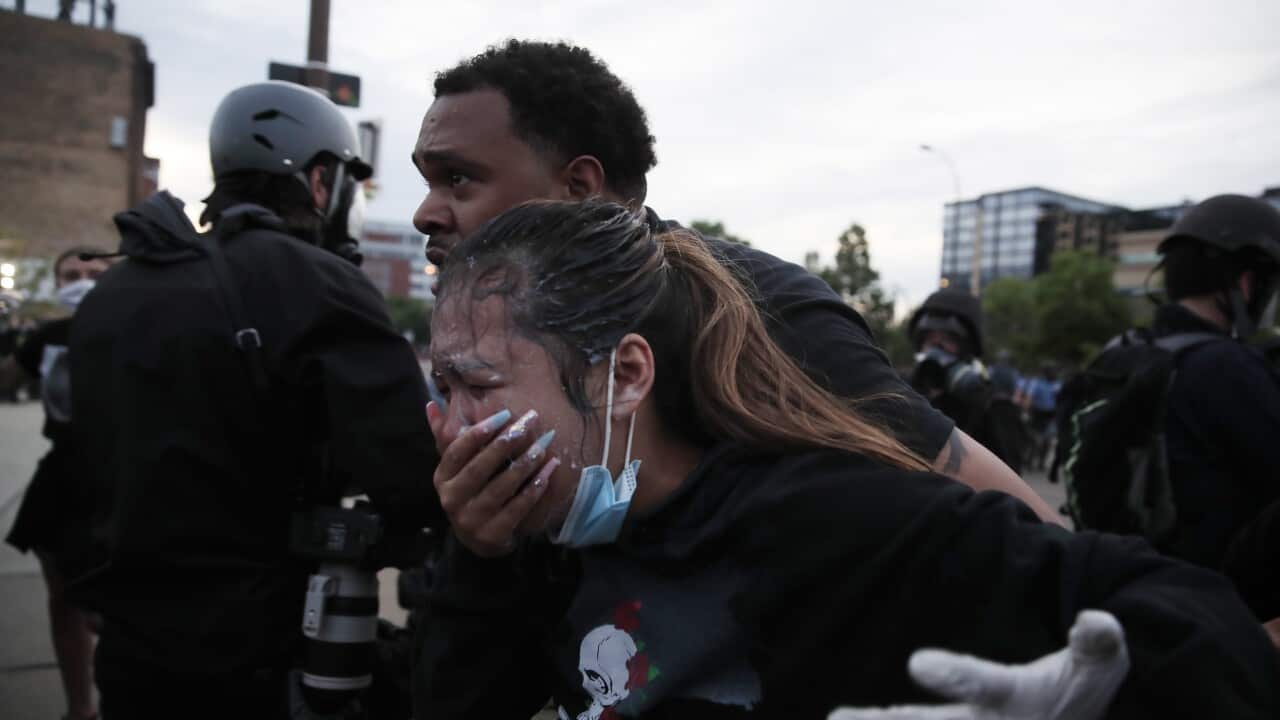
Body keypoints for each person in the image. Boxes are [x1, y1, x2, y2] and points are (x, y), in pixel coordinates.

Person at [415, 200, 1278, 719]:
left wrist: (1124, 694)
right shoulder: (542, 549)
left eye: (475, 385)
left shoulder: (832, 519)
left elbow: (1189, 611)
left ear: (624, 375)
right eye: (438, 391)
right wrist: (478, 565)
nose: (449, 428)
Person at [410, 39, 1059, 523]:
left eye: (459, 178)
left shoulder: (760, 314)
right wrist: (482, 549)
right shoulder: (481, 350)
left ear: (579, 187)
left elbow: (1018, 526)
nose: (425, 213)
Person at [68, 81, 437, 718]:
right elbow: (414, 475)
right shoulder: (318, 282)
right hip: (260, 658)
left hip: (133, 651)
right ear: (319, 181)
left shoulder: (119, 287)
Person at [2, 245, 111, 720]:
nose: (82, 280)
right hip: (65, 476)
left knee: (112, 607)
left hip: (122, 475)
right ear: (56, 282)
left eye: (93, 272)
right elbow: (6, 381)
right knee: (64, 600)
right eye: (71, 273)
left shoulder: (135, 330)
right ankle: (79, 708)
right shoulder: (46, 336)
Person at [1148, 195, 1280, 573]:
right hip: (1220, 599)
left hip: (1132, 585)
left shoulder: (1122, 354)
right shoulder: (1227, 365)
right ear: (1247, 281)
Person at [906, 289, 1024, 473]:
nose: (936, 348)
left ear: (968, 346)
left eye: (947, 339)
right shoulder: (903, 394)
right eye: (929, 338)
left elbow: (1009, 478)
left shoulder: (993, 406)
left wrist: (977, 405)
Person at [1017, 363, 1061, 472]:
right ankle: (1029, 460)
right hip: (1037, 414)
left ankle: (1041, 462)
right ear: (1046, 373)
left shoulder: (1058, 385)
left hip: (1051, 416)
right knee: (1036, 440)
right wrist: (1026, 411)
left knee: (1048, 440)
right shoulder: (1037, 384)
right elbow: (1029, 398)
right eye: (1051, 372)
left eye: (1055, 371)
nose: (1053, 374)